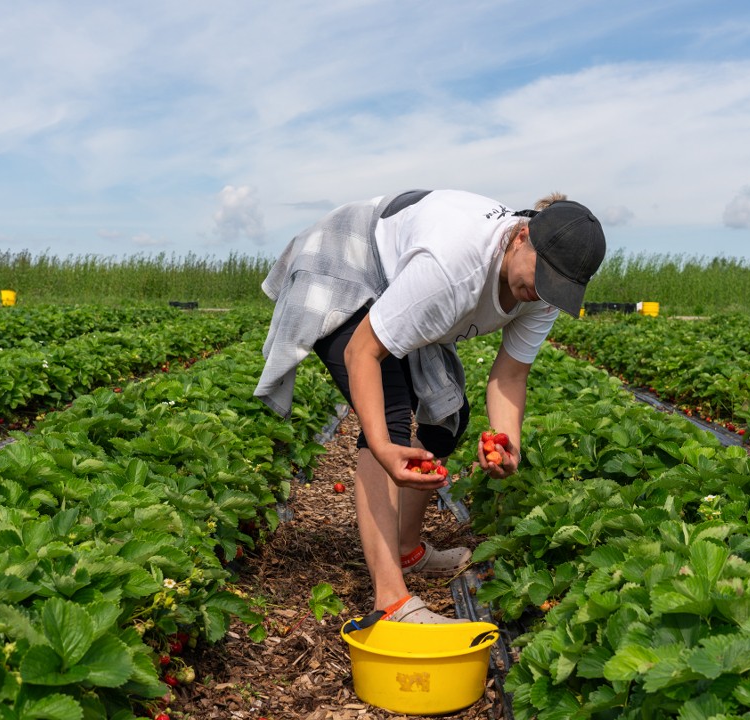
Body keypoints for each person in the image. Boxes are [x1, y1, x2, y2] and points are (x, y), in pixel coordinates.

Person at [255, 189, 605, 623]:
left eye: (556, 287)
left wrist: (505, 440)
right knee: (390, 417)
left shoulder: (543, 291)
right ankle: (391, 600)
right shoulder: (455, 265)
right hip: (351, 259)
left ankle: (404, 550)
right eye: (541, 276)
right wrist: (383, 446)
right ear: (521, 237)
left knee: (446, 418)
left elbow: (510, 375)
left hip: (403, 279)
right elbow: (361, 353)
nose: (538, 292)